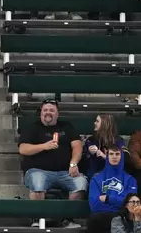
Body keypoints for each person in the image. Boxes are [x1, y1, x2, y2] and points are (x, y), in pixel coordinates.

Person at [18, 99, 87, 228]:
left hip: (65, 171)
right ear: (41, 113)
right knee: (37, 182)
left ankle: (68, 219)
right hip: (38, 170)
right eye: (45, 110)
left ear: (57, 114)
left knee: (81, 183)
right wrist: (44, 146)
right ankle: (38, 219)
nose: (48, 113)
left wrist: (73, 164)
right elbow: (23, 149)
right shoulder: (33, 127)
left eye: (51, 110)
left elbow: (77, 146)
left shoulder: (66, 126)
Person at [88, 145, 137, 233]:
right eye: (111, 154)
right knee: (94, 219)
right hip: (102, 217)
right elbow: (94, 205)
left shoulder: (130, 179)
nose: (114, 156)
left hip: (123, 216)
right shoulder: (96, 179)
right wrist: (121, 201)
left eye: (117, 154)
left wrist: (108, 198)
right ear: (107, 156)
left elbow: (132, 204)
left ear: (121, 157)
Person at [84, 114, 126, 181]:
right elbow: (83, 160)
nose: (94, 123)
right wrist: (89, 152)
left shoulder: (118, 141)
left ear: (105, 124)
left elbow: (121, 162)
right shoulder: (91, 140)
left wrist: (104, 156)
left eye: (97, 121)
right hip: (93, 174)